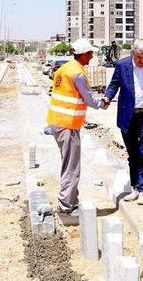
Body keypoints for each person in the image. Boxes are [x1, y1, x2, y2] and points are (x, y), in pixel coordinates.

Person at [45, 38, 108, 217]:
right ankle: (66, 206)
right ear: (84, 54)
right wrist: (102, 103)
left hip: (57, 122)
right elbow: (88, 98)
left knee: (68, 164)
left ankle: (72, 201)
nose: (92, 56)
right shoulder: (78, 73)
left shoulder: (64, 69)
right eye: (91, 53)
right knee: (72, 167)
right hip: (68, 125)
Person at [103, 39, 143, 205]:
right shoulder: (122, 66)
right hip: (128, 116)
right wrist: (108, 97)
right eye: (139, 58)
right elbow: (114, 85)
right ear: (132, 53)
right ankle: (135, 188)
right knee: (133, 154)